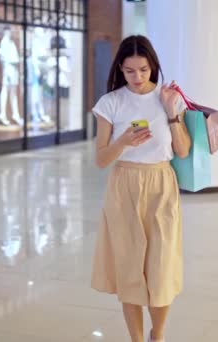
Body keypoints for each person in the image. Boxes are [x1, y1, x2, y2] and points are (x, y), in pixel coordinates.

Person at [90, 35, 191, 342]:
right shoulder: (111, 103)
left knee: (162, 268)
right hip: (124, 185)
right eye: (130, 70)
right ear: (120, 68)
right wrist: (122, 142)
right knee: (130, 269)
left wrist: (172, 112)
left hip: (161, 184)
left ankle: (156, 335)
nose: (137, 77)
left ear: (153, 66)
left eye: (144, 70)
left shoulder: (168, 97)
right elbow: (100, 160)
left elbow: (183, 151)